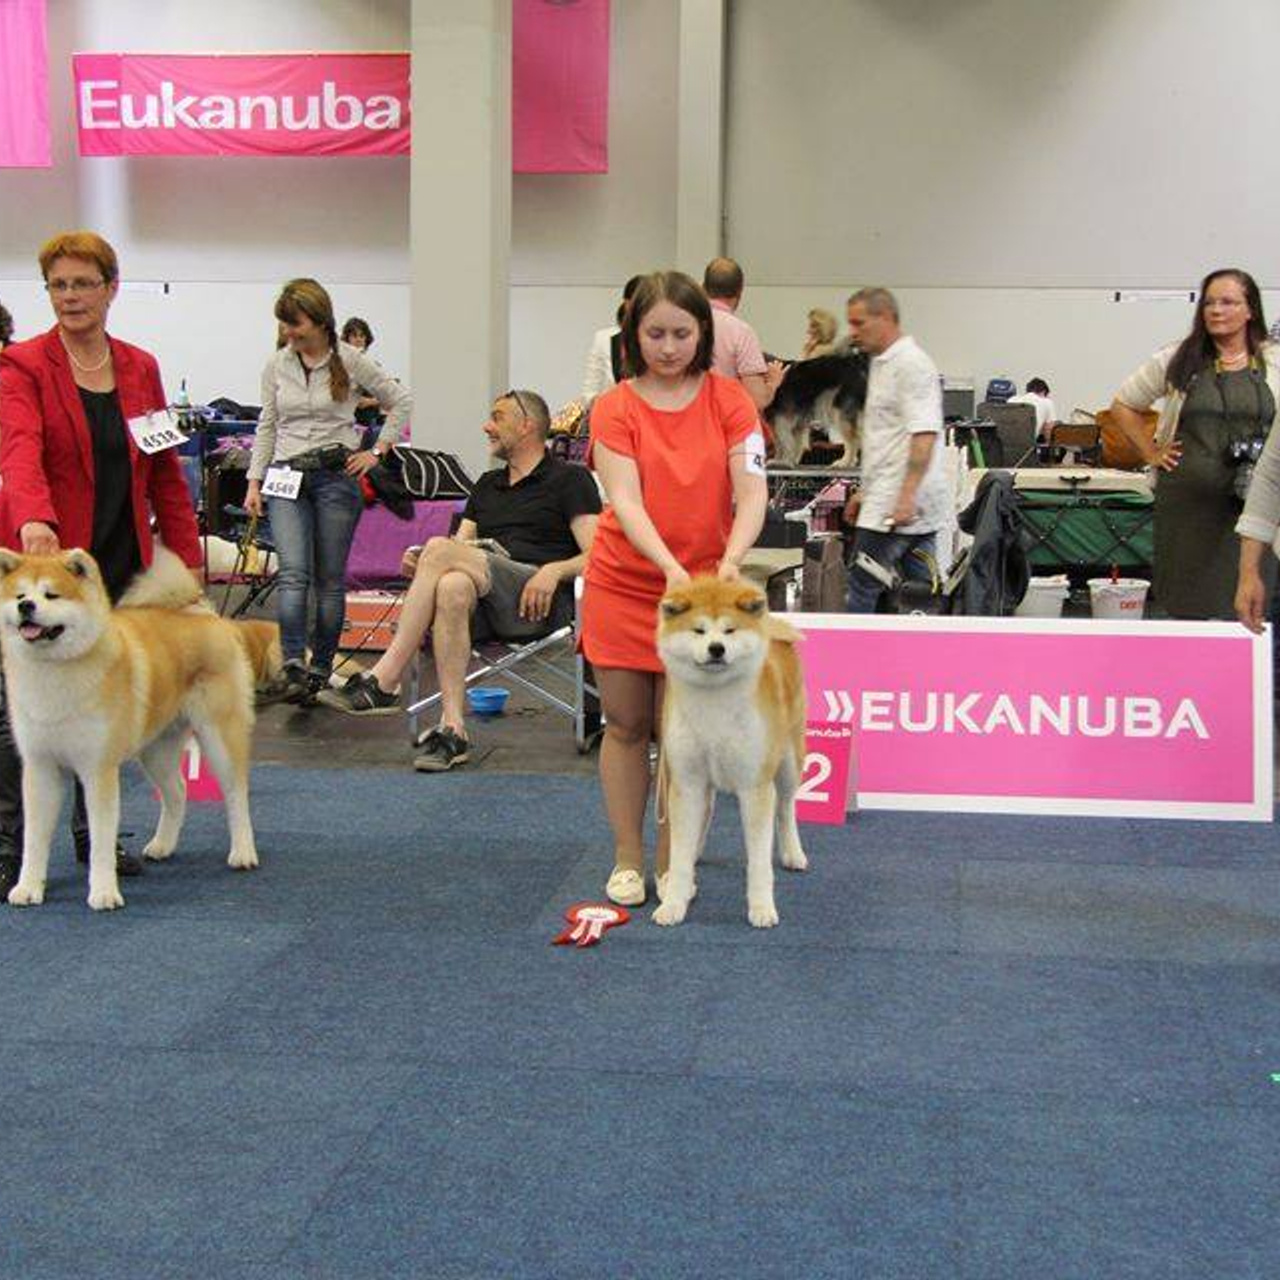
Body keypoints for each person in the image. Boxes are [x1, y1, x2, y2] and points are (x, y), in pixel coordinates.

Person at [0, 230, 202, 898]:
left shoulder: (140, 367)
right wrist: (36, 519)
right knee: (21, 715)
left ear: (111, 288)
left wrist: (188, 562)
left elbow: (166, 472)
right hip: (47, 564)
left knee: (104, 707)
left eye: (83, 283)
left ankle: (97, 837)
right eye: (58, 285)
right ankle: (11, 845)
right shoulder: (24, 365)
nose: (70, 297)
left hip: (119, 560)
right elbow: (19, 448)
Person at [581, 270, 769, 906]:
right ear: (634, 334)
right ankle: (628, 859)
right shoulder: (614, 407)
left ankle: (674, 859)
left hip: (705, 598)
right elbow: (626, 503)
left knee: (682, 735)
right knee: (626, 723)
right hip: (627, 583)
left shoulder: (731, 402)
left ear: (703, 332)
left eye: (682, 333)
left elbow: (752, 490)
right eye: (655, 333)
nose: (668, 347)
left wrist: (732, 559)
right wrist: (668, 567)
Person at [318, 390, 601, 770]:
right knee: (451, 584)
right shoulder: (486, 484)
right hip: (485, 598)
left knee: (441, 552)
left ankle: (385, 679)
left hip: (539, 598)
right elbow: (458, 548)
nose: (487, 426)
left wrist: (554, 571)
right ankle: (453, 729)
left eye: (497, 417)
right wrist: (422, 560)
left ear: (527, 425)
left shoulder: (571, 479)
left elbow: (598, 555)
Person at [245, 278, 412, 702]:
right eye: (284, 325)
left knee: (329, 580)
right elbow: (267, 424)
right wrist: (254, 480)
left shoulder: (352, 361)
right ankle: (293, 666)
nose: (290, 333)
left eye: (296, 324)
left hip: (336, 478)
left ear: (320, 321)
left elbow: (401, 402)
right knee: (293, 573)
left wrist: (376, 451)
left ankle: (321, 667)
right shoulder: (276, 364)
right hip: (286, 476)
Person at [1111, 268, 1279, 621]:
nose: (1217, 310)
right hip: (1187, 511)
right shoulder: (1178, 358)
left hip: (1254, 505)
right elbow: (1124, 405)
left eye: (1229, 302)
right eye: (1210, 303)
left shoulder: (1275, 361)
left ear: (1251, 310)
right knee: (1186, 603)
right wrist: (1151, 452)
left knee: (1255, 599)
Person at [841, 287, 949, 612]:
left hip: (896, 507)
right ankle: (924, 657)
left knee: (861, 588)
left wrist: (905, 496)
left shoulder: (911, 364)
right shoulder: (883, 363)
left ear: (885, 317)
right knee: (922, 596)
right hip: (895, 500)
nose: (853, 332)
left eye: (859, 323)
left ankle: (854, 659)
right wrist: (864, 492)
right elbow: (887, 439)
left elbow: (924, 434)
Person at [703, 257, 784, 412]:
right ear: (740, 292)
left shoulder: (687, 325)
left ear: (703, 287)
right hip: (724, 423)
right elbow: (757, 400)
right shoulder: (741, 333)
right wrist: (773, 383)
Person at [581, 276, 642, 402]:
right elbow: (590, 391)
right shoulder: (603, 339)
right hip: (614, 414)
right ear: (626, 303)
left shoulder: (661, 343)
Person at [340, 316, 386, 439]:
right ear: (347, 339)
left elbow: (387, 396)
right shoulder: (342, 367)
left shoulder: (374, 365)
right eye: (354, 336)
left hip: (373, 423)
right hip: (351, 427)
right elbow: (354, 400)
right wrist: (375, 400)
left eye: (362, 336)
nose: (359, 339)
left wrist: (371, 401)